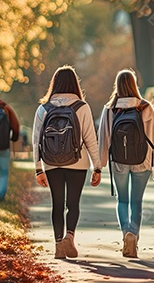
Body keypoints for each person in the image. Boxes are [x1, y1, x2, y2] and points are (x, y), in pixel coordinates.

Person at [32, 65, 102, 259]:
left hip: (51, 162)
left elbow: (36, 140)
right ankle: (69, 237)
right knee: (73, 203)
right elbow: (90, 139)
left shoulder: (43, 108)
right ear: (75, 83)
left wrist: (38, 169)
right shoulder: (82, 107)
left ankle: (57, 244)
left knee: (57, 203)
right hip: (77, 162)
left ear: (54, 84)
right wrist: (97, 167)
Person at [96, 69, 154, 258]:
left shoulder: (110, 108)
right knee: (137, 201)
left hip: (118, 161)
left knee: (122, 200)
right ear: (134, 84)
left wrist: (99, 166)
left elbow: (104, 138)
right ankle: (134, 232)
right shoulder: (145, 107)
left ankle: (125, 232)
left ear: (117, 85)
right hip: (142, 160)